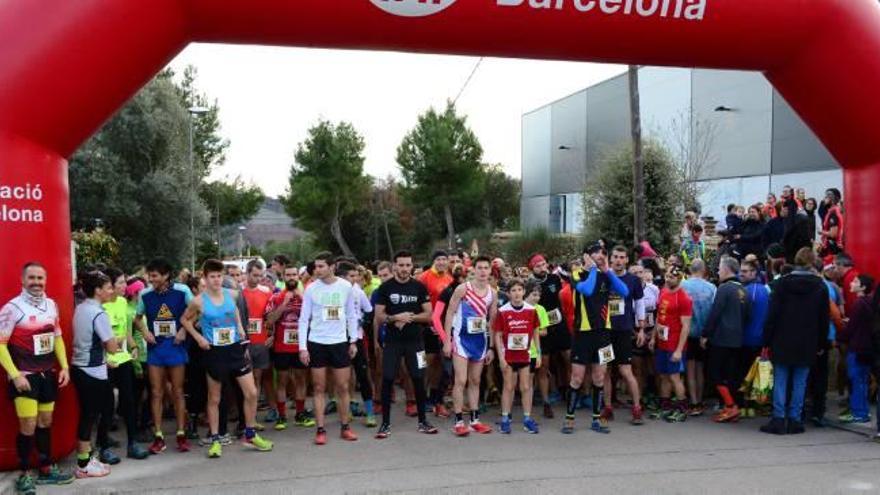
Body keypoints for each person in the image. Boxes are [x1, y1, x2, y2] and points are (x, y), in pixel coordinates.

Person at [181, 259, 274, 458]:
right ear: (205, 278)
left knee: (251, 392)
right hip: (214, 352)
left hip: (234, 350)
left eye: (219, 276)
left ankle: (250, 433)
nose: (216, 280)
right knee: (214, 398)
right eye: (212, 276)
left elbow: (235, 312)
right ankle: (216, 440)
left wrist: (239, 326)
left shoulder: (231, 294)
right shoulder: (198, 301)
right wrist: (198, 338)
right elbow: (184, 320)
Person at [0, 263, 74, 494]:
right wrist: (14, 375)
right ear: (22, 280)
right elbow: (0, 344)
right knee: (28, 425)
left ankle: (45, 467)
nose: (36, 282)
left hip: (47, 375)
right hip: (24, 377)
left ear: (46, 280)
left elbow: (57, 337)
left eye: (40, 278)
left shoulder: (51, 305)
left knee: (45, 422)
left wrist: (64, 367)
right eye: (31, 278)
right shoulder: (12, 308)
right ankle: (24, 474)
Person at [761, 248, 830, 435]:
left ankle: (778, 418)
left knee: (781, 379)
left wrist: (766, 340)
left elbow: (772, 314)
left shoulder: (782, 284)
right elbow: (824, 318)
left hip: (782, 338)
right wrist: (822, 344)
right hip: (808, 340)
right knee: (800, 381)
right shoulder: (820, 286)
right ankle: (795, 419)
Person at [564, 243, 629, 434]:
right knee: (576, 378)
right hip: (583, 334)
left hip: (603, 334)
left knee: (599, 377)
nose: (601, 255)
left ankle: (596, 418)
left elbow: (624, 292)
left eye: (604, 253)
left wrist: (607, 271)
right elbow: (587, 290)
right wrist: (592, 268)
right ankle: (569, 418)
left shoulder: (605, 275)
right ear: (587, 256)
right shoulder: (577, 273)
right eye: (597, 253)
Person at [372, 251, 438, 438]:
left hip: (416, 342)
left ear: (412, 266)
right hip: (393, 342)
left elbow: (429, 315)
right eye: (401, 265)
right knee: (387, 378)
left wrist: (409, 317)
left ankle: (423, 421)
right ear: (395, 266)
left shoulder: (419, 287)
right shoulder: (385, 288)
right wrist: (394, 318)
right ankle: (385, 423)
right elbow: (379, 316)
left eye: (407, 265)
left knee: (419, 378)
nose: (404, 269)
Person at [298, 252, 360, 445]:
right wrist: (302, 348)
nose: (317, 270)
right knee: (318, 387)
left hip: (339, 342)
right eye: (316, 266)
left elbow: (351, 315)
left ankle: (345, 427)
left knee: (342, 387)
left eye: (321, 266)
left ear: (332, 266)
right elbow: (303, 319)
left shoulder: (345, 287)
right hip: (316, 342)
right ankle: (320, 429)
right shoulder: (310, 288)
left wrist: (353, 341)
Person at [133, 258, 193, 454]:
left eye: (155, 275)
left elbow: (196, 312)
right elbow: (137, 318)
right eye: (150, 275)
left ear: (166, 275)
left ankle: (181, 433)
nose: (151, 279)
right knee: (156, 392)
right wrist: (145, 332)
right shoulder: (145, 294)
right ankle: (158, 435)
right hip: (156, 349)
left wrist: (184, 330)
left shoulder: (182, 291)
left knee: (177, 391)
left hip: (175, 346)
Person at [70, 271, 119, 479]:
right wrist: (115, 340)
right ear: (98, 291)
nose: (112, 291)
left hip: (83, 368)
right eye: (108, 287)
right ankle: (83, 463)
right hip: (91, 372)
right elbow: (112, 347)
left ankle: (88, 457)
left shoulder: (81, 308)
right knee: (89, 416)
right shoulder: (99, 313)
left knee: (92, 414)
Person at [444, 255, 497, 437]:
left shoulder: (493, 293)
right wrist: (447, 340)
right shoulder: (462, 289)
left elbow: (492, 322)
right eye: (480, 268)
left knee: (475, 381)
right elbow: (449, 312)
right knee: (460, 380)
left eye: (486, 268)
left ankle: (475, 420)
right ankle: (459, 421)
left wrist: (491, 347)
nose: (483, 271)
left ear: (490, 270)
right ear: (473, 270)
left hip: (480, 342)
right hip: (461, 339)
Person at [102, 268, 149, 460]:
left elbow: (127, 331)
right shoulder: (101, 306)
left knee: (129, 402)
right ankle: (103, 446)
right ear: (110, 286)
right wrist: (105, 359)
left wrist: (133, 346)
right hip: (106, 363)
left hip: (124, 359)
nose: (125, 286)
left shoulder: (122, 303)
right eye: (120, 283)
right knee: (105, 406)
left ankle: (132, 444)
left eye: (124, 282)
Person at [265, 264, 314, 430]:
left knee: (301, 379)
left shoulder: (307, 296)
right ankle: (282, 416)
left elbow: (315, 318)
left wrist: (302, 299)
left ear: (298, 277)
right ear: (283, 277)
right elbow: (269, 320)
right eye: (288, 275)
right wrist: (284, 304)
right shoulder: (277, 297)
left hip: (300, 346)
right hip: (282, 347)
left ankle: (300, 414)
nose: (292, 277)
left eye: (294, 275)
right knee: (282, 382)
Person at [702, 257, 750, 423]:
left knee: (715, 373)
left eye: (720, 268)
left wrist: (705, 334)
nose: (718, 271)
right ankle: (731, 405)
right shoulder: (744, 290)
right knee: (730, 374)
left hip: (721, 338)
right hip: (737, 339)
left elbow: (715, 313)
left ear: (727, 269)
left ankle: (730, 406)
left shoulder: (724, 289)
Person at [494, 278, 542, 434]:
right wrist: (501, 358)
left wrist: (538, 354)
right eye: (513, 291)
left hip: (525, 355)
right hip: (508, 355)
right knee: (508, 387)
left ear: (524, 292)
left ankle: (527, 419)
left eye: (519, 290)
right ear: (508, 293)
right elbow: (498, 335)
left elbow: (535, 332)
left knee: (526, 387)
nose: (517, 293)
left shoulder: (531, 310)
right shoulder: (503, 311)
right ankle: (505, 419)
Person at [604, 245, 646, 425]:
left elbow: (640, 304)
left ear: (627, 260)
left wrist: (642, 328)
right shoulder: (603, 277)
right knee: (605, 370)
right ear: (610, 259)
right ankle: (607, 408)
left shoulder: (633, 280)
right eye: (616, 257)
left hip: (623, 330)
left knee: (625, 370)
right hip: (605, 331)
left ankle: (637, 408)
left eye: (622, 257)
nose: (619, 260)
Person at [528, 252, 570, 419]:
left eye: (544, 264)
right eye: (538, 265)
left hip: (558, 324)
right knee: (543, 365)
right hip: (541, 326)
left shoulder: (554, 279)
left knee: (568, 358)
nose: (542, 267)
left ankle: (570, 392)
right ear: (532, 267)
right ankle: (546, 402)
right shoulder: (530, 283)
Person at [650, 264, 693, 423]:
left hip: (675, 345)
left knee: (675, 377)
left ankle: (682, 408)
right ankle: (665, 406)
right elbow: (658, 317)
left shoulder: (684, 298)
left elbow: (686, 326)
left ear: (680, 278)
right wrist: (654, 337)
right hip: (662, 343)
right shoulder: (663, 291)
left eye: (672, 277)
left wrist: (679, 350)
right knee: (663, 376)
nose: (668, 279)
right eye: (667, 276)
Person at [338, 261, 377, 427]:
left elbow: (369, 311)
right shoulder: (336, 291)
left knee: (362, 375)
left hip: (357, 339)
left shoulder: (357, 292)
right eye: (352, 276)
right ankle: (346, 412)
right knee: (343, 379)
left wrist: (362, 322)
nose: (355, 279)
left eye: (356, 276)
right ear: (342, 277)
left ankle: (370, 413)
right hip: (338, 339)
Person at [240, 260, 276, 425]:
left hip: (261, 342)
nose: (258, 279)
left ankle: (252, 419)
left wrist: (272, 335)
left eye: (260, 275)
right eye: (254, 275)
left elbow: (271, 317)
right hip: (243, 342)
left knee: (257, 378)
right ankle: (246, 418)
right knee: (245, 381)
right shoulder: (238, 291)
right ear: (247, 273)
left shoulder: (267, 291)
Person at [418, 250, 453, 419]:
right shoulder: (424, 277)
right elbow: (418, 301)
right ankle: (422, 397)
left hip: (444, 326)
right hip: (427, 326)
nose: (441, 262)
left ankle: (434, 396)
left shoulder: (449, 278)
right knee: (427, 362)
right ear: (433, 261)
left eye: (444, 259)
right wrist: (427, 322)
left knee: (441, 363)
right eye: (438, 259)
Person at [836, 275, 876, 424]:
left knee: (856, 380)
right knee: (863, 380)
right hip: (868, 347)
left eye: (856, 282)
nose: (852, 283)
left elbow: (852, 328)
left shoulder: (859, 303)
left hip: (857, 346)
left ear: (863, 287)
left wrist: (840, 337)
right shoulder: (871, 302)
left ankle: (858, 412)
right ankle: (863, 410)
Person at [680, 260, 716, 416]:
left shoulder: (683, 287)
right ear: (704, 270)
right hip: (704, 334)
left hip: (687, 333)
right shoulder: (711, 288)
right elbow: (715, 311)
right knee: (700, 368)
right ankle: (700, 401)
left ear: (690, 269)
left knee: (690, 368)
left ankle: (694, 401)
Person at [740, 260, 770, 418]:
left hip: (749, 339)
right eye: (741, 270)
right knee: (757, 374)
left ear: (754, 273)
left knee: (746, 374)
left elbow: (744, 316)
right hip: (760, 339)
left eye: (745, 271)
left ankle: (747, 405)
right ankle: (756, 405)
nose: (741, 274)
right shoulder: (765, 290)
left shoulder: (748, 291)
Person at [820, 188, 844, 256]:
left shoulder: (833, 213)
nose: (824, 198)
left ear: (832, 199)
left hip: (832, 248)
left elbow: (833, 234)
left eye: (827, 197)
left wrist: (821, 232)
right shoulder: (833, 211)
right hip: (830, 246)